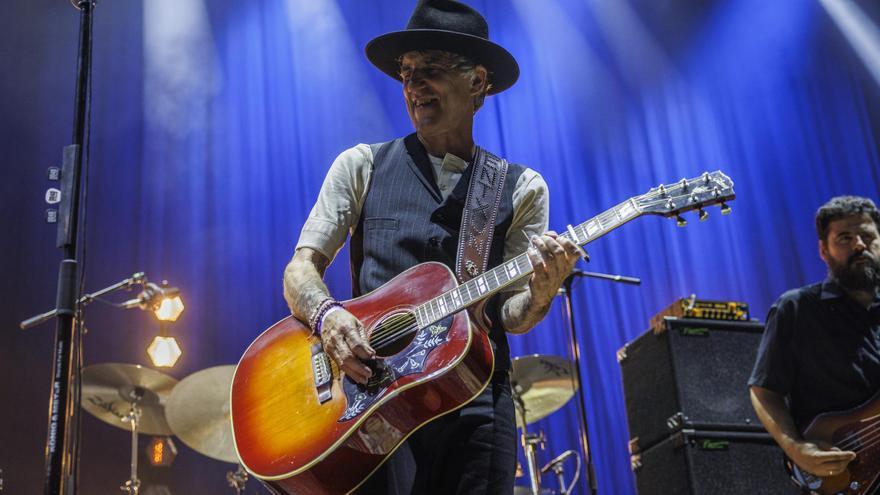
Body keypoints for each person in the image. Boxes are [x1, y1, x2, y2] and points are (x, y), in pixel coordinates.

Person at [282, 1, 583, 493]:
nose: (413, 86)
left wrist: (543, 292)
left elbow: (511, 315)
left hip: (474, 399)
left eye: (432, 70)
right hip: (376, 397)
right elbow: (299, 271)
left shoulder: (521, 187)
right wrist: (327, 317)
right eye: (407, 72)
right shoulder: (361, 165)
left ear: (478, 82)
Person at [749, 195, 880, 481]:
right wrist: (797, 449)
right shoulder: (797, 308)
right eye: (844, 237)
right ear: (824, 250)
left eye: (868, 236)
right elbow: (764, 391)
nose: (859, 244)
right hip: (847, 473)